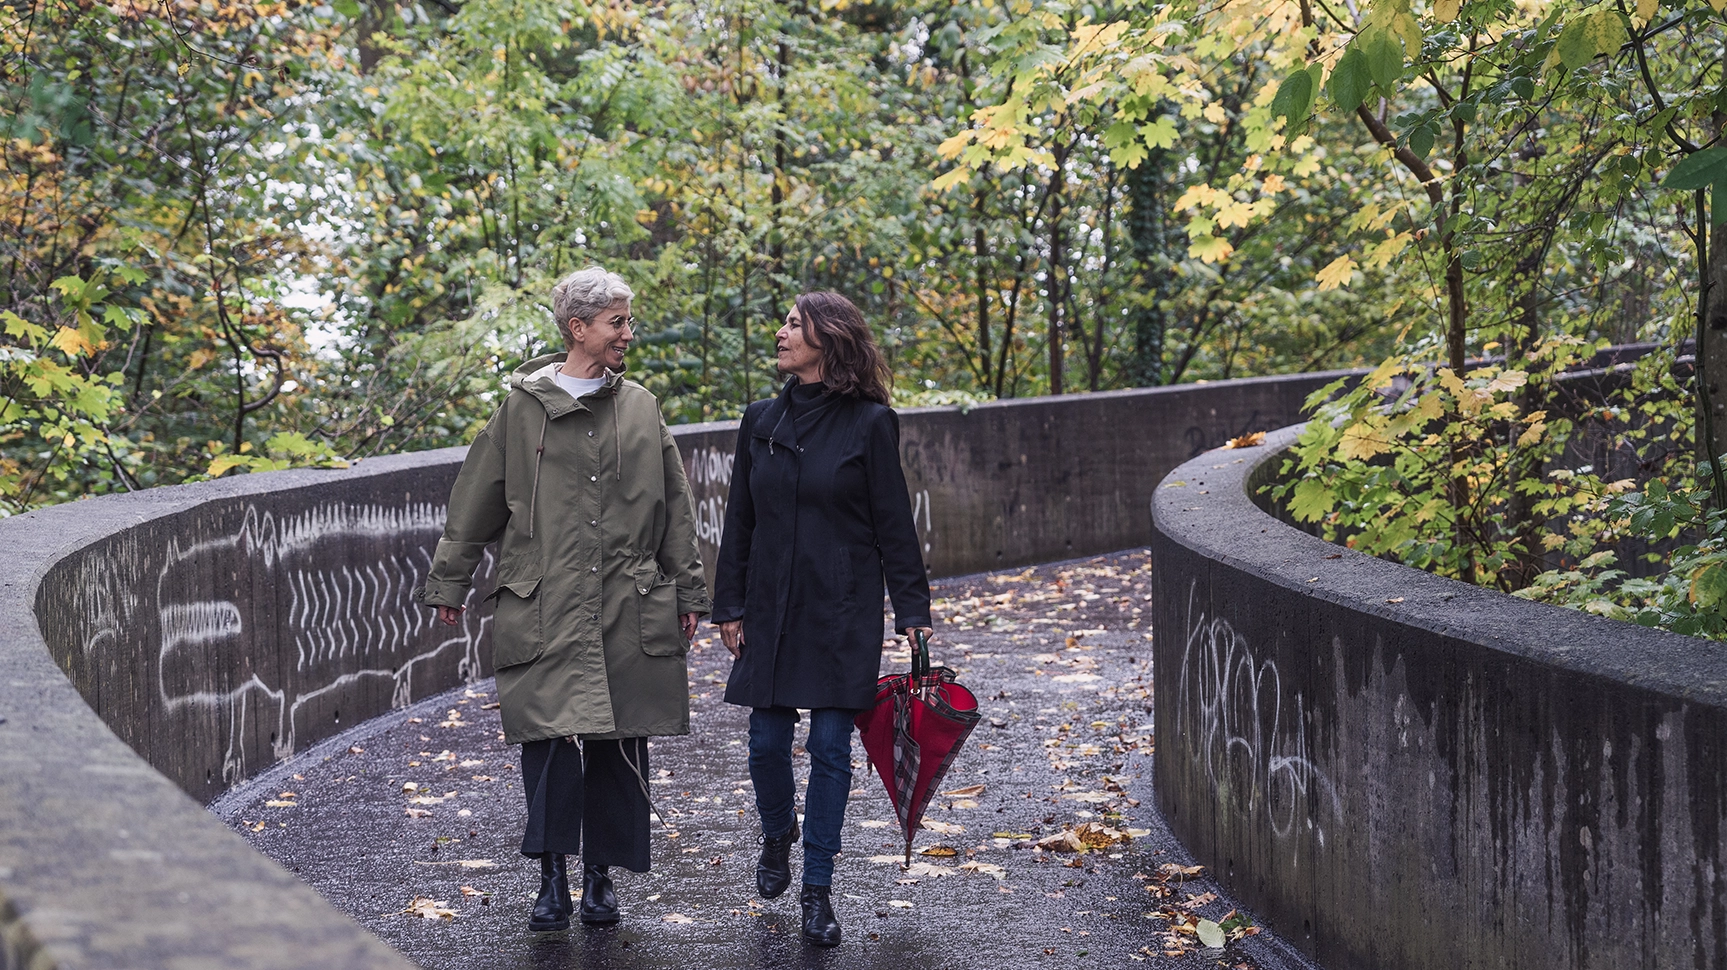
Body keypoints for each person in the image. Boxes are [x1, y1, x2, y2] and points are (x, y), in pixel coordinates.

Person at [415, 266, 709, 932]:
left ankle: (601, 878)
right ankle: (551, 874)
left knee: (619, 740)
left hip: (627, 598)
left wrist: (688, 588)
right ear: (577, 328)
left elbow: (676, 504)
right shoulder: (520, 408)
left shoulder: (640, 406)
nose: (626, 335)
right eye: (616, 323)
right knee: (546, 741)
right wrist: (449, 581)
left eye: (627, 322)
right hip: (542, 597)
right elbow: (476, 501)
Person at [710, 291, 934, 947]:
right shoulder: (759, 420)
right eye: (780, 320)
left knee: (832, 751)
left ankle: (817, 889)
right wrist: (730, 604)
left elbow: (894, 524)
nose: (779, 332)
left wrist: (912, 610)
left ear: (826, 339)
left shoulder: (868, 423)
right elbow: (740, 522)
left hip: (842, 607)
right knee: (765, 746)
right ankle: (777, 829)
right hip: (772, 607)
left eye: (792, 324)